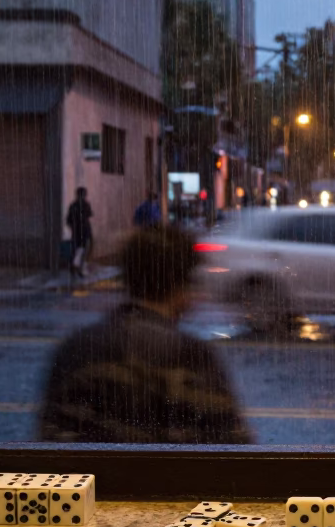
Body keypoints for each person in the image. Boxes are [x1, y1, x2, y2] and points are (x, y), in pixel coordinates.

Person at [39, 226, 253, 444]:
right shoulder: (191, 356)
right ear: (180, 287)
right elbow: (234, 448)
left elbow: (52, 447)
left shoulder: (77, 348)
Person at [66, 186, 93, 278]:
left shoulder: (73, 205)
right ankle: (80, 268)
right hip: (84, 230)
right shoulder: (86, 205)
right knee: (85, 249)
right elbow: (89, 215)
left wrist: (73, 227)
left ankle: (73, 267)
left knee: (76, 249)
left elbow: (68, 220)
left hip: (76, 231)